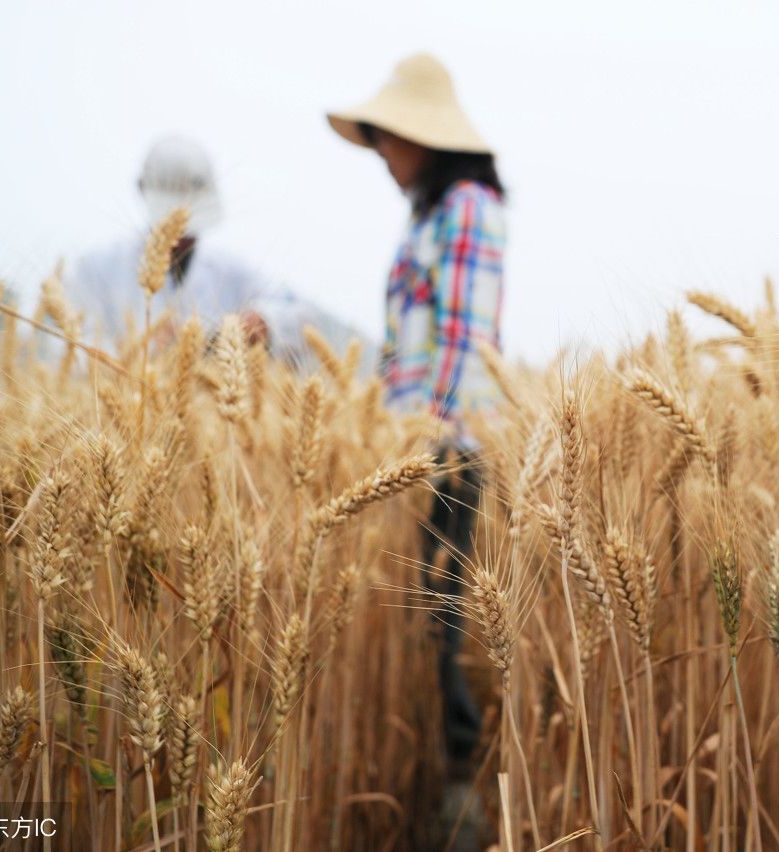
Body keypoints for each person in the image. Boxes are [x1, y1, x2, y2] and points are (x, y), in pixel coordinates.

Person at [327, 53, 506, 787]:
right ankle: (438, 771)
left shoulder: (468, 207)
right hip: (410, 447)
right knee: (418, 616)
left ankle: (460, 773)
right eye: (374, 139)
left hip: (446, 450)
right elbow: (405, 346)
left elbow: (464, 337)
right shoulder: (428, 214)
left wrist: (428, 446)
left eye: (388, 137)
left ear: (427, 137)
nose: (381, 154)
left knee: (438, 615)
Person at [67, 136, 368, 367]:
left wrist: (263, 321)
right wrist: (142, 350)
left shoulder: (231, 270)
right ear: (141, 191)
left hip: (209, 435)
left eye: (189, 224)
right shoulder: (96, 269)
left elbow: (304, 317)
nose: (180, 234)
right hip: (117, 430)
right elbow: (67, 351)